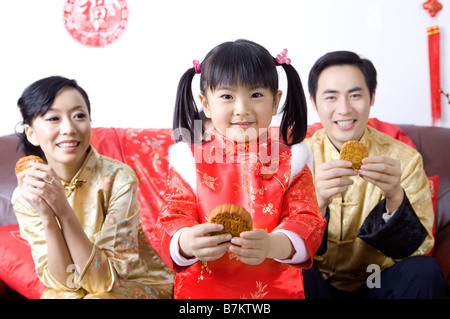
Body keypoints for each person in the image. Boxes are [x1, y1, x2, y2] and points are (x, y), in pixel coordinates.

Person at [155, 39, 326, 299]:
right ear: (206, 103)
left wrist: (272, 245)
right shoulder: (188, 159)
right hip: (203, 292)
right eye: (227, 96)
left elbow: (307, 220)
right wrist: (187, 241)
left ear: (276, 99)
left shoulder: (292, 160)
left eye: (256, 95)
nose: (242, 109)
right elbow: (171, 217)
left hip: (274, 292)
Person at [12, 76, 174, 299]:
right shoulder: (26, 195)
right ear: (31, 133)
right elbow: (64, 283)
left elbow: (104, 280)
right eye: (53, 118)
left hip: (136, 282)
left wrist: (63, 209)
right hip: (75, 290)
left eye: (79, 116)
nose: (69, 128)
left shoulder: (118, 178)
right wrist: (48, 218)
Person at [303, 51, 445, 299]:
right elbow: (279, 242)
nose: (344, 109)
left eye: (355, 95)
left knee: (425, 271)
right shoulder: (299, 159)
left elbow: (421, 248)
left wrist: (395, 198)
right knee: (289, 269)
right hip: (319, 282)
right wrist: (318, 203)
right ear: (314, 102)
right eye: (331, 97)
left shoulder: (405, 159)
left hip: (377, 280)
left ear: (372, 97)